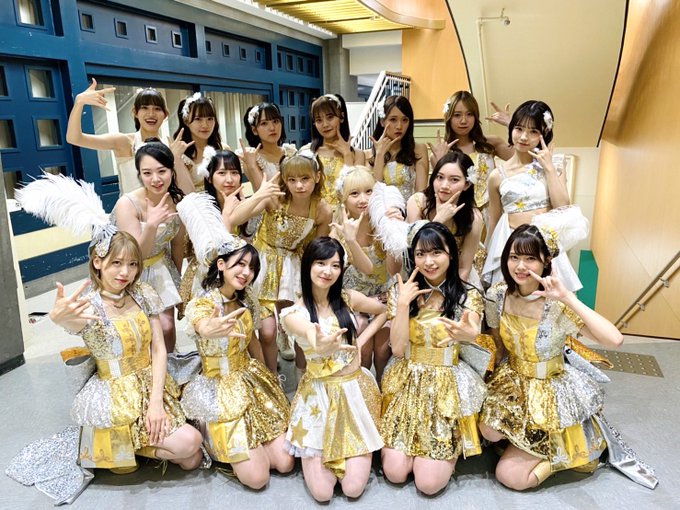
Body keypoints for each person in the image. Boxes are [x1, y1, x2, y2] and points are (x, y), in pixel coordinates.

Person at [14, 174, 204, 481]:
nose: (125, 272)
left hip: (151, 385)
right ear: (98, 262)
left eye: (132, 264)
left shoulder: (143, 293)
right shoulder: (89, 305)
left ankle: (133, 445)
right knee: (190, 445)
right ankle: (121, 443)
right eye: (116, 263)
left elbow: (159, 349)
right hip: (114, 398)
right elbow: (73, 322)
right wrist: (59, 317)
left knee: (192, 458)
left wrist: (156, 403)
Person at [479, 224, 628, 490]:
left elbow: (614, 339)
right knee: (488, 432)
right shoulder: (497, 295)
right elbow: (496, 339)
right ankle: (527, 442)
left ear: (546, 261)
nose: (520, 266)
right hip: (512, 381)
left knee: (511, 477)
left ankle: (567, 452)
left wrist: (568, 298)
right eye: (514, 257)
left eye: (530, 258)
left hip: (549, 389)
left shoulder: (556, 305)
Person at [177, 192, 293, 489]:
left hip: (247, 379)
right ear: (221, 265)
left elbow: (252, 342)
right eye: (240, 264)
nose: (246, 272)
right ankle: (208, 433)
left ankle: (249, 442)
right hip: (218, 389)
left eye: (252, 268)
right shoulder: (203, 303)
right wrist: (210, 328)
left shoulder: (246, 300)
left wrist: (267, 380)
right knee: (258, 478)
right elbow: (201, 324)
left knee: (285, 463)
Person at [380, 222, 489, 495]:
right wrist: (402, 304)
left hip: (446, 384)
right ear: (413, 257)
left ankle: (446, 448)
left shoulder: (467, 294)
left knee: (428, 484)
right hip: (408, 379)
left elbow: (472, 328)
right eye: (421, 254)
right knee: (395, 473)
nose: (428, 262)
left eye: (436, 252)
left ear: (451, 254)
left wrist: (468, 334)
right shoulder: (402, 291)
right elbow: (397, 348)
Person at [280, 237, 386, 502]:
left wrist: (360, 341)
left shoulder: (348, 298)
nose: (328, 271)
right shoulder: (293, 313)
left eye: (335, 265)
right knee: (322, 493)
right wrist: (319, 343)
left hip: (353, 393)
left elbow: (384, 311)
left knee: (353, 488)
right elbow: (307, 330)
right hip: (318, 399)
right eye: (321, 263)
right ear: (308, 265)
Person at [481, 100, 582, 291]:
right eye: (519, 128)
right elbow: (493, 220)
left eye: (533, 131)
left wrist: (549, 168)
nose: (524, 137)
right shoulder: (496, 175)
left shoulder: (554, 164)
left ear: (544, 134)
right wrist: (487, 255)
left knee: (548, 300)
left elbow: (562, 207)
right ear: (511, 129)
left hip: (544, 246)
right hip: (511, 246)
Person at [249, 152, 332, 375]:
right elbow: (241, 215)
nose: (299, 185)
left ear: (317, 177)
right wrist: (258, 188)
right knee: (267, 332)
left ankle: (302, 376)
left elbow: (317, 251)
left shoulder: (322, 210)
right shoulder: (275, 198)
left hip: (294, 265)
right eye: (292, 179)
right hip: (263, 262)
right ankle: (272, 379)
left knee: (300, 324)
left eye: (305, 178)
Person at [112, 139, 185, 352]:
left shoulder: (176, 200)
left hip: (161, 267)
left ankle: (169, 368)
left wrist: (178, 282)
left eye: (162, 171)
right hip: (130, 272)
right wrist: (151, 225)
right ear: (139, 175)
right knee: (143, 331)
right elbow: (134, 255)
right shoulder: (127, 204)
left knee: (167, 327)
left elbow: (177, 245)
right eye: (147, 173)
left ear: (171, 170)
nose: (155, 179)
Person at [330, 166, 398, 382]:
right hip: (354, 299)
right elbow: (366, 269)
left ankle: (383, 388)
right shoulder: (338, 231)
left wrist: (394, 230)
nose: (363, 199)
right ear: (343, 198)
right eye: (354, 193)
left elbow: (393, 270)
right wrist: (349, 240)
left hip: (385, 295)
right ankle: (364, 388)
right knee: (364, 348)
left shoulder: (383, 223)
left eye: (369, 192)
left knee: (383, 350)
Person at [65, 79, 192, 194]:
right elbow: (74, 138)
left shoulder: (170, 145)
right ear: (135, 112)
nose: (151, 114)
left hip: (165, 209)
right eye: (145, 108)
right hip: (131, 210)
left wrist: (177, 159)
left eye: (157, 108)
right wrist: (79, 102)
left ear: (165, 114)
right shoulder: (123, 142)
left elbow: (186, 191)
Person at [429, 91, 514, 216]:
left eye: (469, 114)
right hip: (459, 216)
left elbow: (524, 158)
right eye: (457, 115)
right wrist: (441, 161)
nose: (464, 120)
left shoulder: (491, 143)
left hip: (493, 213)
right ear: (448, 117)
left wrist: (511, 125)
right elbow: (438, 193)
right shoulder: (440, 154)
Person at [406, 150, 483, 283]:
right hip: (418, 273)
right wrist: (439, 220)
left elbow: (464, 267)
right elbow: (414, 250)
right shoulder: (418, 202)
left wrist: (449, 293)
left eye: (454, 180)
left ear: (467, 184)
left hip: (456, 280)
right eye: (440, 177)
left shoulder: (473, 217)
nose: (444, 185)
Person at [305, 93, 365, 209]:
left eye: (330, 117)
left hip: (345, 215)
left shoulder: (357, 154)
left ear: (341, 117)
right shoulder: (308, 152)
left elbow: (355, 190)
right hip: (316, 215)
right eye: (319, 120)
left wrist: (347, 155)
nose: (325, 124)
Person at [368, 95, 428, 202]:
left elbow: (421, 192)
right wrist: (380, 155)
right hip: (381, 210)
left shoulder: (419, 150)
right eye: (393, 120)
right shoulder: (368, 155)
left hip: (411, 210)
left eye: (405, 120)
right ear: (382, 121)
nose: (399, 126)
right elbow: (374, 193)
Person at [238, 102, 296, 193]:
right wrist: (252, 166)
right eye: (264, 123)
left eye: (275, 121)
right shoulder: (253, 158)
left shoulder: (291, 152)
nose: (272, 128)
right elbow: (262, 194)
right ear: (254, 130)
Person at [172, 93, 223, 191]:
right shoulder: (180, 155)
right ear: (186, 121)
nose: (205, 125)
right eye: (198, 119)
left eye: (210, 119)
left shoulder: (223, 149)